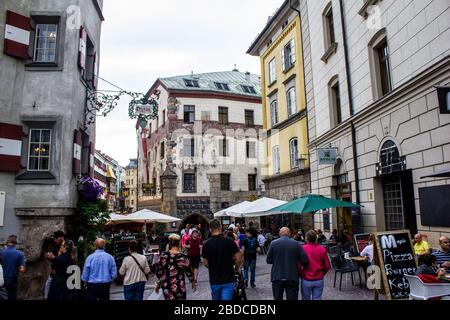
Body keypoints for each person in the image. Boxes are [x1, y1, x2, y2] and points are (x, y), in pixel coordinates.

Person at [202, 219, 242, 301]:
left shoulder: (206, 244)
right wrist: (236, 269)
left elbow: (205, 263)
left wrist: (213, 267)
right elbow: (239, 258)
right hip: (228, 278)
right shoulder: (229, 241)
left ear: (210, 229)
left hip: (214, 279)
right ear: (220, 227)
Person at [267, 227, 308, 300]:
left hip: (277, 276)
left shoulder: (273, 243)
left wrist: (277, 260)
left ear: (280, 234)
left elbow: (268, 260)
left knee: (277, 298)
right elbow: (304, 260)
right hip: (292, 276)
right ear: (289, 233)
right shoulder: (296, 244)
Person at [155, 234, 196, 300]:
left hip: (166, 286)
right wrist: (193, 282)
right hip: (179, 286)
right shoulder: (182, 257)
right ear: (179, 243)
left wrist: (159, 283)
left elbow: (159, 272)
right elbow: (189, 272)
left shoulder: (163, 255)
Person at [300, 230, 331, 300]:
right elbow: (327, 266)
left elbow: (299, 265)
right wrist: (322, 273)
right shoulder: (322, 249)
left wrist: (301, 274)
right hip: (319, 279)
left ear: (306, 238)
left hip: (306, 278)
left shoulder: (303, 248)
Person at [0, 235, 25, 300]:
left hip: (2, 278)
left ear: (7, 243)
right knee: (12, 296)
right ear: (15, 243)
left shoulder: (1, 252)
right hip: (13, 278)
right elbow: (22, 269)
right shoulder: (20, 253)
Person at [44, 230, 65, 299]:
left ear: (61, 237)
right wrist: (49, 257)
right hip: (54, 271)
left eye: (56, 238)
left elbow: (63, 259)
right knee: (48, 285)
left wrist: (53, 257)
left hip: (61, 273)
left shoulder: (65, 246)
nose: (55, 239)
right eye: (54, 238)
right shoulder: (56, 246)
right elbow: (55, 258)